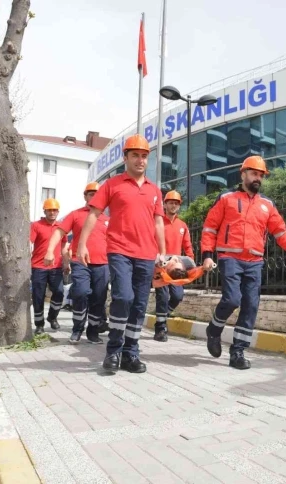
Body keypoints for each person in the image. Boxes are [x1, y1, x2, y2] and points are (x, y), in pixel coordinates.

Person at [201, 155, 286, 370]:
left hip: (255, 261)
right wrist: (207, 255)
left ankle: (238, 351)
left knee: (251, 305)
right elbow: (210, 227)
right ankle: (214, 329)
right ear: (243, 174)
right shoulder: (226, 198)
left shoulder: (267, 205)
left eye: (261, 175)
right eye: (254, 173)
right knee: (231, 299)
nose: (258, 178)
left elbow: (280, 230)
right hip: (230, 257)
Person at [76, 134, 166, 374]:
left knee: (138, 305)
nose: (140, 160)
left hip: (147, 255)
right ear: (125, 157)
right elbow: (93, 214)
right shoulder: (112, 184)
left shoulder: (155, 190)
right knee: (123, 297)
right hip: (119, 251)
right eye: (135, 155)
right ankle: (113, 351)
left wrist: (163, 253)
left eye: (144, 156)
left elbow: (158, 223)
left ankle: (130, 354)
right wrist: (81, 244)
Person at [44, 182, 109, 345]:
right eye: (90, 193)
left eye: (97, 193)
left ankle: (93, 331)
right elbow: (59, 232)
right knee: (80, 293)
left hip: (103, 264)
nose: (94, 196)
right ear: (85, 196)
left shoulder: (107, 219)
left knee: (98, 298)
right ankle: (77, 329)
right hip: (80, 263)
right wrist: (50, 250)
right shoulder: (75, 215)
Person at [153, 190, 194, 342]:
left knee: (177, 296)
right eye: (171, 202)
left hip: (177, 267)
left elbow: (188, 246)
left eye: (176, 203)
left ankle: (163, 316)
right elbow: (151, 240)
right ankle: (160, 328)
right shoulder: (157, 222)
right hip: (160, 265)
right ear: (165, 204)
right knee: (162, 296)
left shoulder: (182, 225)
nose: (173, 205)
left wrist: (190, 261)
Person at [30, 198, 66, 335]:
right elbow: (29, 242)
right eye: (49, 210)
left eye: (54, 210)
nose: (52, 212)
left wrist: (66, 262)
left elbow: (63, 246)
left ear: (58, 211)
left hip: (56, 267)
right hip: (38, 266)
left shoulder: (62, 227)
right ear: (44, 210)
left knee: (59, 292)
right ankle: (39, 324)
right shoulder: (36, 225)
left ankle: (52, 317)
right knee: (38, 296)